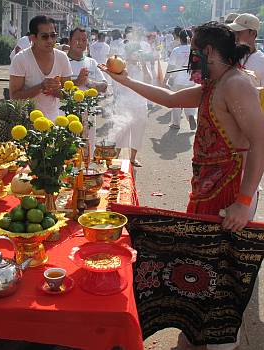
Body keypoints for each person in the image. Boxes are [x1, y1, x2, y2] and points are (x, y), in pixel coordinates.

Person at [100, 22, 264, 349]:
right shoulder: (216, 83)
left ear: (207, 52)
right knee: (199, 266)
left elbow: (260, 142)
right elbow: (171, 99)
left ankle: (216, 341)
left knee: (219, 274)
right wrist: (125, 80)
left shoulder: (235, 84)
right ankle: (193, 336)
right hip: (205, 190)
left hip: (229, 192)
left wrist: (244, 201)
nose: (190, 58)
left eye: (193, 51)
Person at [9, 15, 72, 121]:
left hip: (54, 123)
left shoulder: (62, 57)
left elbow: (69, 94)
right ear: (33, 38)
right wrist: (41, 87)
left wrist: (56, 90)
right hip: (27, 124)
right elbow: (14, 96)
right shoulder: (21, 59)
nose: (50, 40)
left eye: (53, 35)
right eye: (45, 36)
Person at [112, 29, 152, 167]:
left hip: (140, 103)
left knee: (138, 130)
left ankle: (133, 158)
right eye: (134, 52)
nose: (136, 55)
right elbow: (116, 84)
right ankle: (115, 157)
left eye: (138, 52)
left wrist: (145, 66)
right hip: (124, 103)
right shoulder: (121, 66)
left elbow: (149, 81)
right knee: (121, 130)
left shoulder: (143, 66)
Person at [68, 27, 108, 157]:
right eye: (77, 39)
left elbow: (104, 85)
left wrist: (89, 83)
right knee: (68, 151)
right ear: (69, 41)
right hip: (66, 113)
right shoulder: (61, 61)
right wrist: (76, 82)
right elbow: (55, 85)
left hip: (88, 114)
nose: (81, 43)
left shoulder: (91, 62)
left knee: (87, 149)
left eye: (84, 40)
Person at [164, 29, 197, 130]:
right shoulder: (194, 50)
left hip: (178, 80)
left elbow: (171, 66)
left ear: (179, 38)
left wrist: (166, 79)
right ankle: (191, 115)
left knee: (177, 101)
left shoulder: (176, 50)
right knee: (190, 100)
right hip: (191, 80)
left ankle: (176, 123)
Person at [228, 13, 264, 86]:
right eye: (234, 32)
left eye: (239, 32)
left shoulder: (262, 61)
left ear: (253, 33)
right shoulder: (229, 56)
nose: (235, 36)